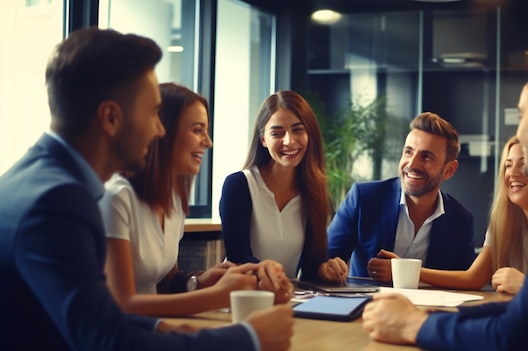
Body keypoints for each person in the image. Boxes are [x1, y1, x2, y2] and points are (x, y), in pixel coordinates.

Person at [0, 27, 293, 351]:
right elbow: (107, 340)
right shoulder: (59, 201)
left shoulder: (36, 180)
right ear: (111, 117)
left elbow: (95, 315)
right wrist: (248, 338)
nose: (158, 130)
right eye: (153, 112)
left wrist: (162, 327)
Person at [362, 48, 528, 350]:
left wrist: (413, 325)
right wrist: (425, 315)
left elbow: (511, 335)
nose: (518, 133)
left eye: (522, 115)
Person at [98, 82, 257, 317]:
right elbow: (122, 304)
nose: (208, 142)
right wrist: (215, 296)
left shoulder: (173, 198)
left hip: (154, 329)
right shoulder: (116, 198)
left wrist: (201, 280)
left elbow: (163, 283)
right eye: (197, 130)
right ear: (163, 131)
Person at [219, 90, 348, 299]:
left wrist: (325, 269)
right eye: (277, 133)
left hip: (286, 298)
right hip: (241, 296)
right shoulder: (239, 185)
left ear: (310, 134)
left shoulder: (315, 192)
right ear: (263, 139)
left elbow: (310, 265)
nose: (289, 141)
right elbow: (238, 256)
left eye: (298, 130)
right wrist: (268, 271)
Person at [327, 111, 476, 283]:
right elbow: (323, 260)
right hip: (366, 306)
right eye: (408, 152)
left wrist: (403, 271)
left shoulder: (461, 219)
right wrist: (329, 268)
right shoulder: (363, 198)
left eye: (426, 157)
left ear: (449, 170)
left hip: (427, 309)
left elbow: (466, 282)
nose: (412, 164)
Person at [419, 135, 528, 294]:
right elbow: (473, 278)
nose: (513, 173)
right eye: (508, 165)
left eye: (524, 164)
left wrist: (527, 284)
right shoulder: (502, 224)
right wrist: (409, 270)